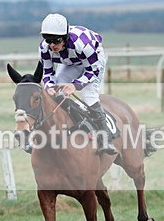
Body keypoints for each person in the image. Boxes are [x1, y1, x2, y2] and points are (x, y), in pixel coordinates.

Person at [38, 13, 117, 155]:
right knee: (58, 90)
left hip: (93, 64)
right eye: (47, 39)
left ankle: (106, 138)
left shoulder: (83, 43)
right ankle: (73, 123)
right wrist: (50, 88)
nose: (52, 45)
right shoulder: (44, 48)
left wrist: (75, 85)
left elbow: (92, 72)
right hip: (71, 63)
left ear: (65, 36)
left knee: (88, 95)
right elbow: (47, 73)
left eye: (55, 40)